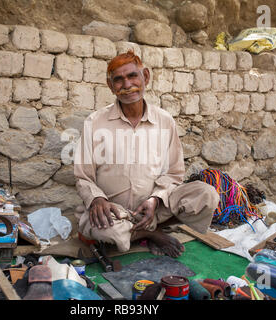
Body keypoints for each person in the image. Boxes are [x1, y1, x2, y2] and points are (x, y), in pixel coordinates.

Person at [73, 50, 219, 258]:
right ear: (111, 86)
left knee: (206, 195)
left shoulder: (164, 121)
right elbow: (83, 176)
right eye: (118, 80)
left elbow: (174, 173)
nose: (127, 85)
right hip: (113, 211)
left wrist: (155, 200)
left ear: (146, 77)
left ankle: (145, 228)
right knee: (107, 229)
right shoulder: (95, 122)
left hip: (152, 210)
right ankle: (150, 233)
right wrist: (97, 199)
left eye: (132, 76)